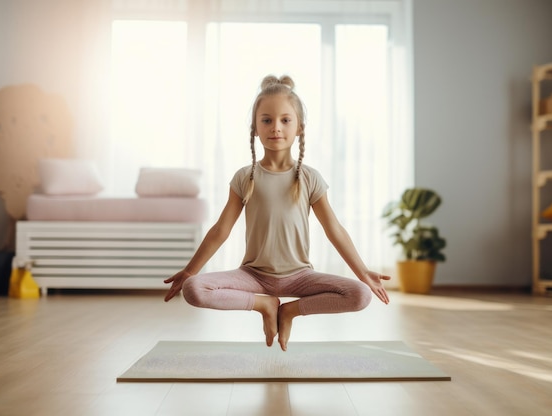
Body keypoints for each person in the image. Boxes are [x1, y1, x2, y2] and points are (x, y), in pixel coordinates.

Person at [164, 75, 390, 351]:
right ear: (255, 128)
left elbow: (334, 230)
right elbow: (221, 230)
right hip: (253, 275)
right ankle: (265, 304)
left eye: (285, 120)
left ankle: (290, 311)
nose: (276, 128)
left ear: (299, 128)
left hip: (300, 276)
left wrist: (363, 271)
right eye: (267, 120)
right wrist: (190, 270)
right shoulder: (245, 177)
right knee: (194, 290)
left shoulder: (310, 178)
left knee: (360, 295)